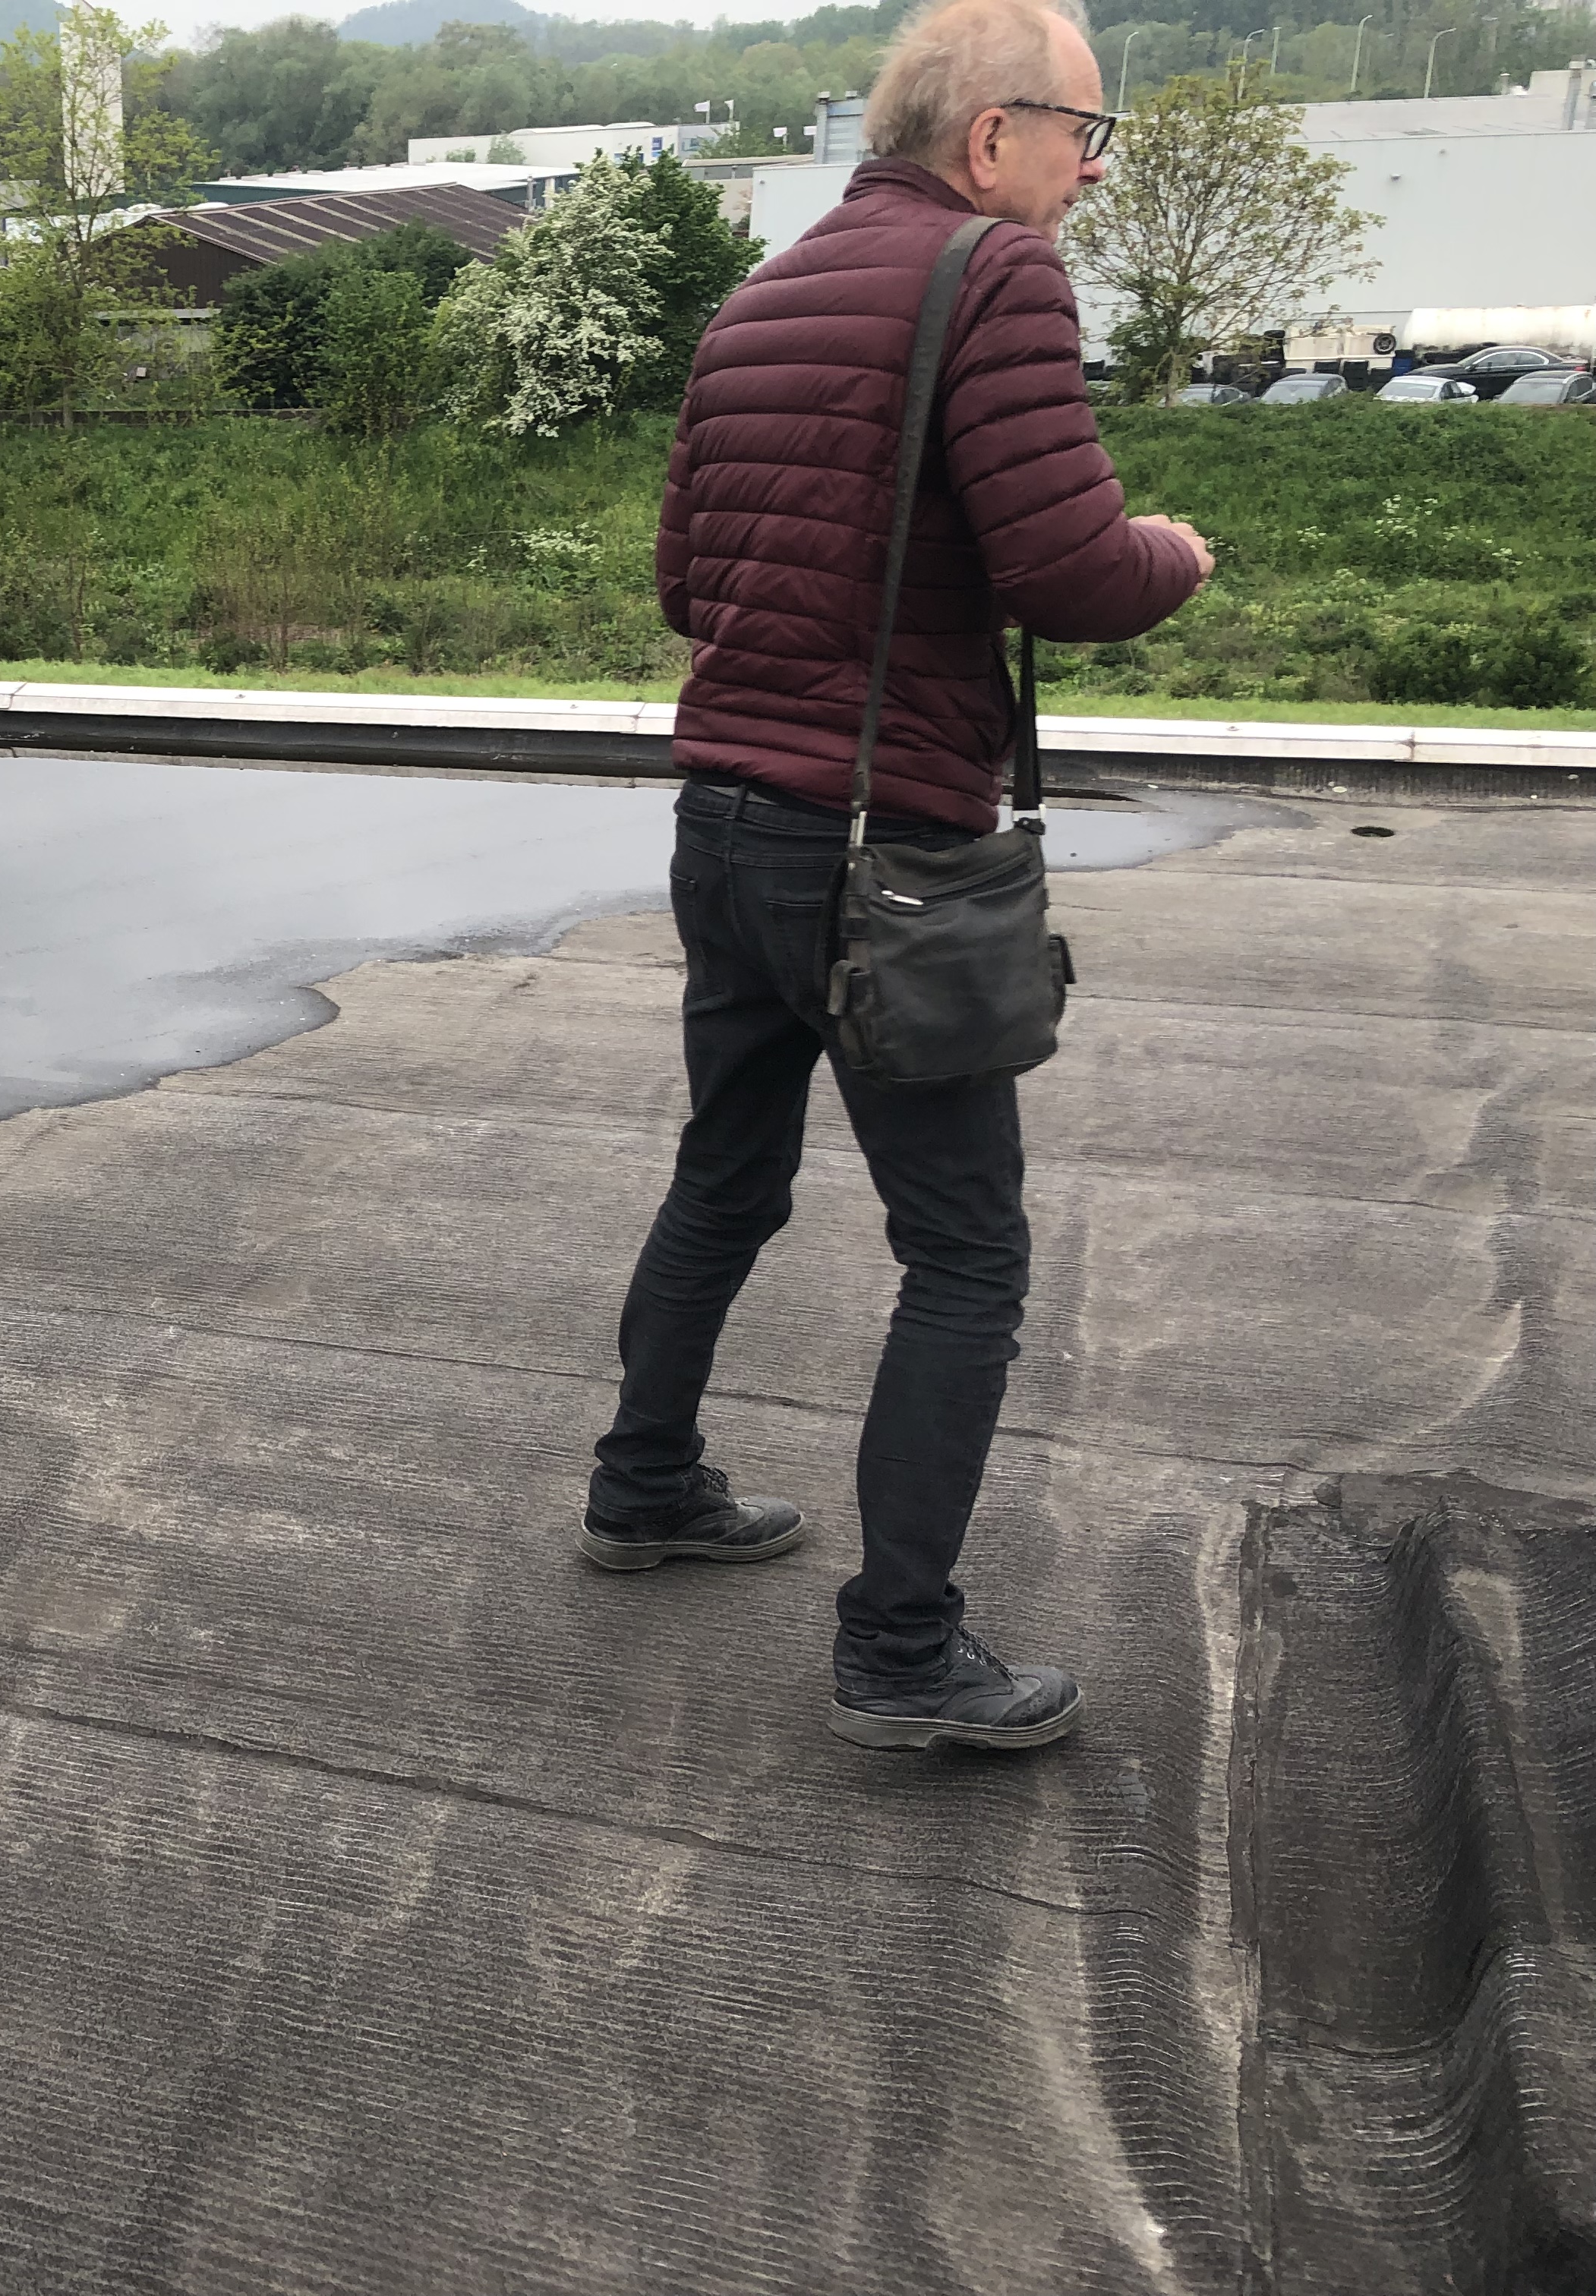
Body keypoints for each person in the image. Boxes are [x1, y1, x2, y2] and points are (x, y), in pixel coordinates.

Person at [580, 0, 1213, 1751]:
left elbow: (686, 584)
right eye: (1086, 133)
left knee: (727, 1175)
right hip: (883, 849)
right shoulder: (997, 274)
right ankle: (905, 1652)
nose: (1093, 170)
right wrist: (1172, 553)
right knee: (967, 1254)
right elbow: (1072, 572)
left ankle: (644, 1485)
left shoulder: (760, 295)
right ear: (991, 136)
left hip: (725, 824)